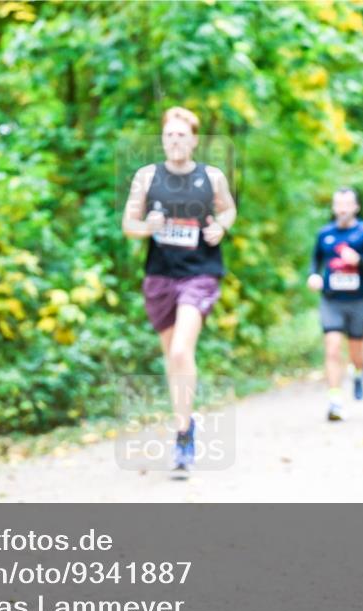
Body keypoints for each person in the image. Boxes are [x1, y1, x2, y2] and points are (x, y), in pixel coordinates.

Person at [122, 107, 237, 473]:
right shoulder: (147, 176)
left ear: (194, 140)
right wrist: (147, 226)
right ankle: (184, 421)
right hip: (160, 276)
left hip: (200, 274)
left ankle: (183, 433)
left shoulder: (211, 177)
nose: (175, 141)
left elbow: (228, 210)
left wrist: (220, 226)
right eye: (169, 135)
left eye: (181, 135)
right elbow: (128, 224)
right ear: (162, 139)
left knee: (181, 350)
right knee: (173, 360)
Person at [306, 188, 363, 421]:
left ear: (356, 207)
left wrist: (360, 260)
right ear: (333, 207)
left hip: (357, 300)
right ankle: (335, 402)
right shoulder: (325, 233)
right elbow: (315, 260)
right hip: (331, 300)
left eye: (346, 204)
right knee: (332, 349)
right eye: (338, 204)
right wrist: (313, 275)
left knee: (356, 352)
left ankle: (359, 373)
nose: (342, 209)